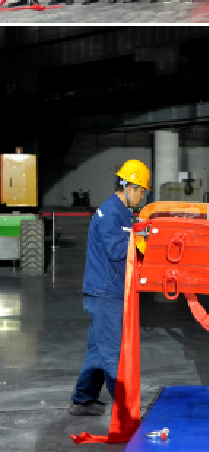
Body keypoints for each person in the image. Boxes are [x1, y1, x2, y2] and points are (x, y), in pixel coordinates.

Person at [70, 159, 151, 416]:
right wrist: (140, 239)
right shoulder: (111, 213)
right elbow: (116, 251)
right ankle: (126, 409)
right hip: (106, 293)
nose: (142, 197)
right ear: (129, 187)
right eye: (141, 191)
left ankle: (83, 399)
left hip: (105, 290)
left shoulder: (121, 212)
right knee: (113, 352)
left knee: (97, 350)